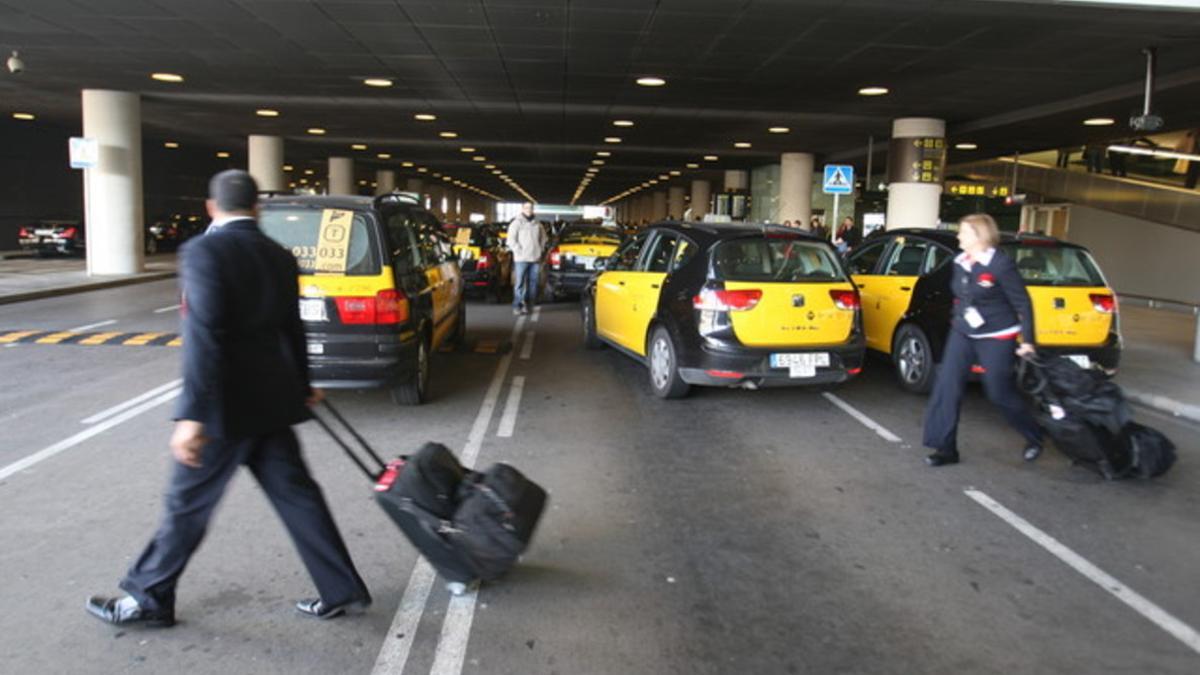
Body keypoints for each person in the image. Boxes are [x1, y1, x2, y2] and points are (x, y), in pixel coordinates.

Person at [86, 170, 370, 627]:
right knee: (300, 498)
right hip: (273, 404)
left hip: (226, 410)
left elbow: (204, 335)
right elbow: (292, 327)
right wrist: (302, 382)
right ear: (256, 208)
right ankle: (342, 589)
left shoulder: (203, 251)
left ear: (211, 207)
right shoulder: (278, 255)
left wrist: (193, 417)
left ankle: (148, 598)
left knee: (186, 505)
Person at [921, 213, 1043, 467]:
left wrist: (1028, 340)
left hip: (997, 334)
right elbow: (962, 295)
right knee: (947, 386)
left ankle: (1035, 435)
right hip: (963, 331)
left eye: (963, 232)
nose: (958, 236)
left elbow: (1023, 303)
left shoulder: (1000, 264)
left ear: (979, 235)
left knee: (998, 392)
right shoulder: (959, 262)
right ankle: (946, 449)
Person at [506, 202, 545, 316]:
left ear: (533, 210)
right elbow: (511, 240)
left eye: (531, 208)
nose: (529, 209)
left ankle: (528, 304)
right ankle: (517, 305)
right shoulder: (516, 223)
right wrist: (519, 251)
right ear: (523, 209)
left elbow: (543, 238)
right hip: (521, 259)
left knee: (533, 282)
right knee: (520, 283)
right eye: (527, 207)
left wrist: (540, 249)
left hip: (535, 259)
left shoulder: (538, 224)